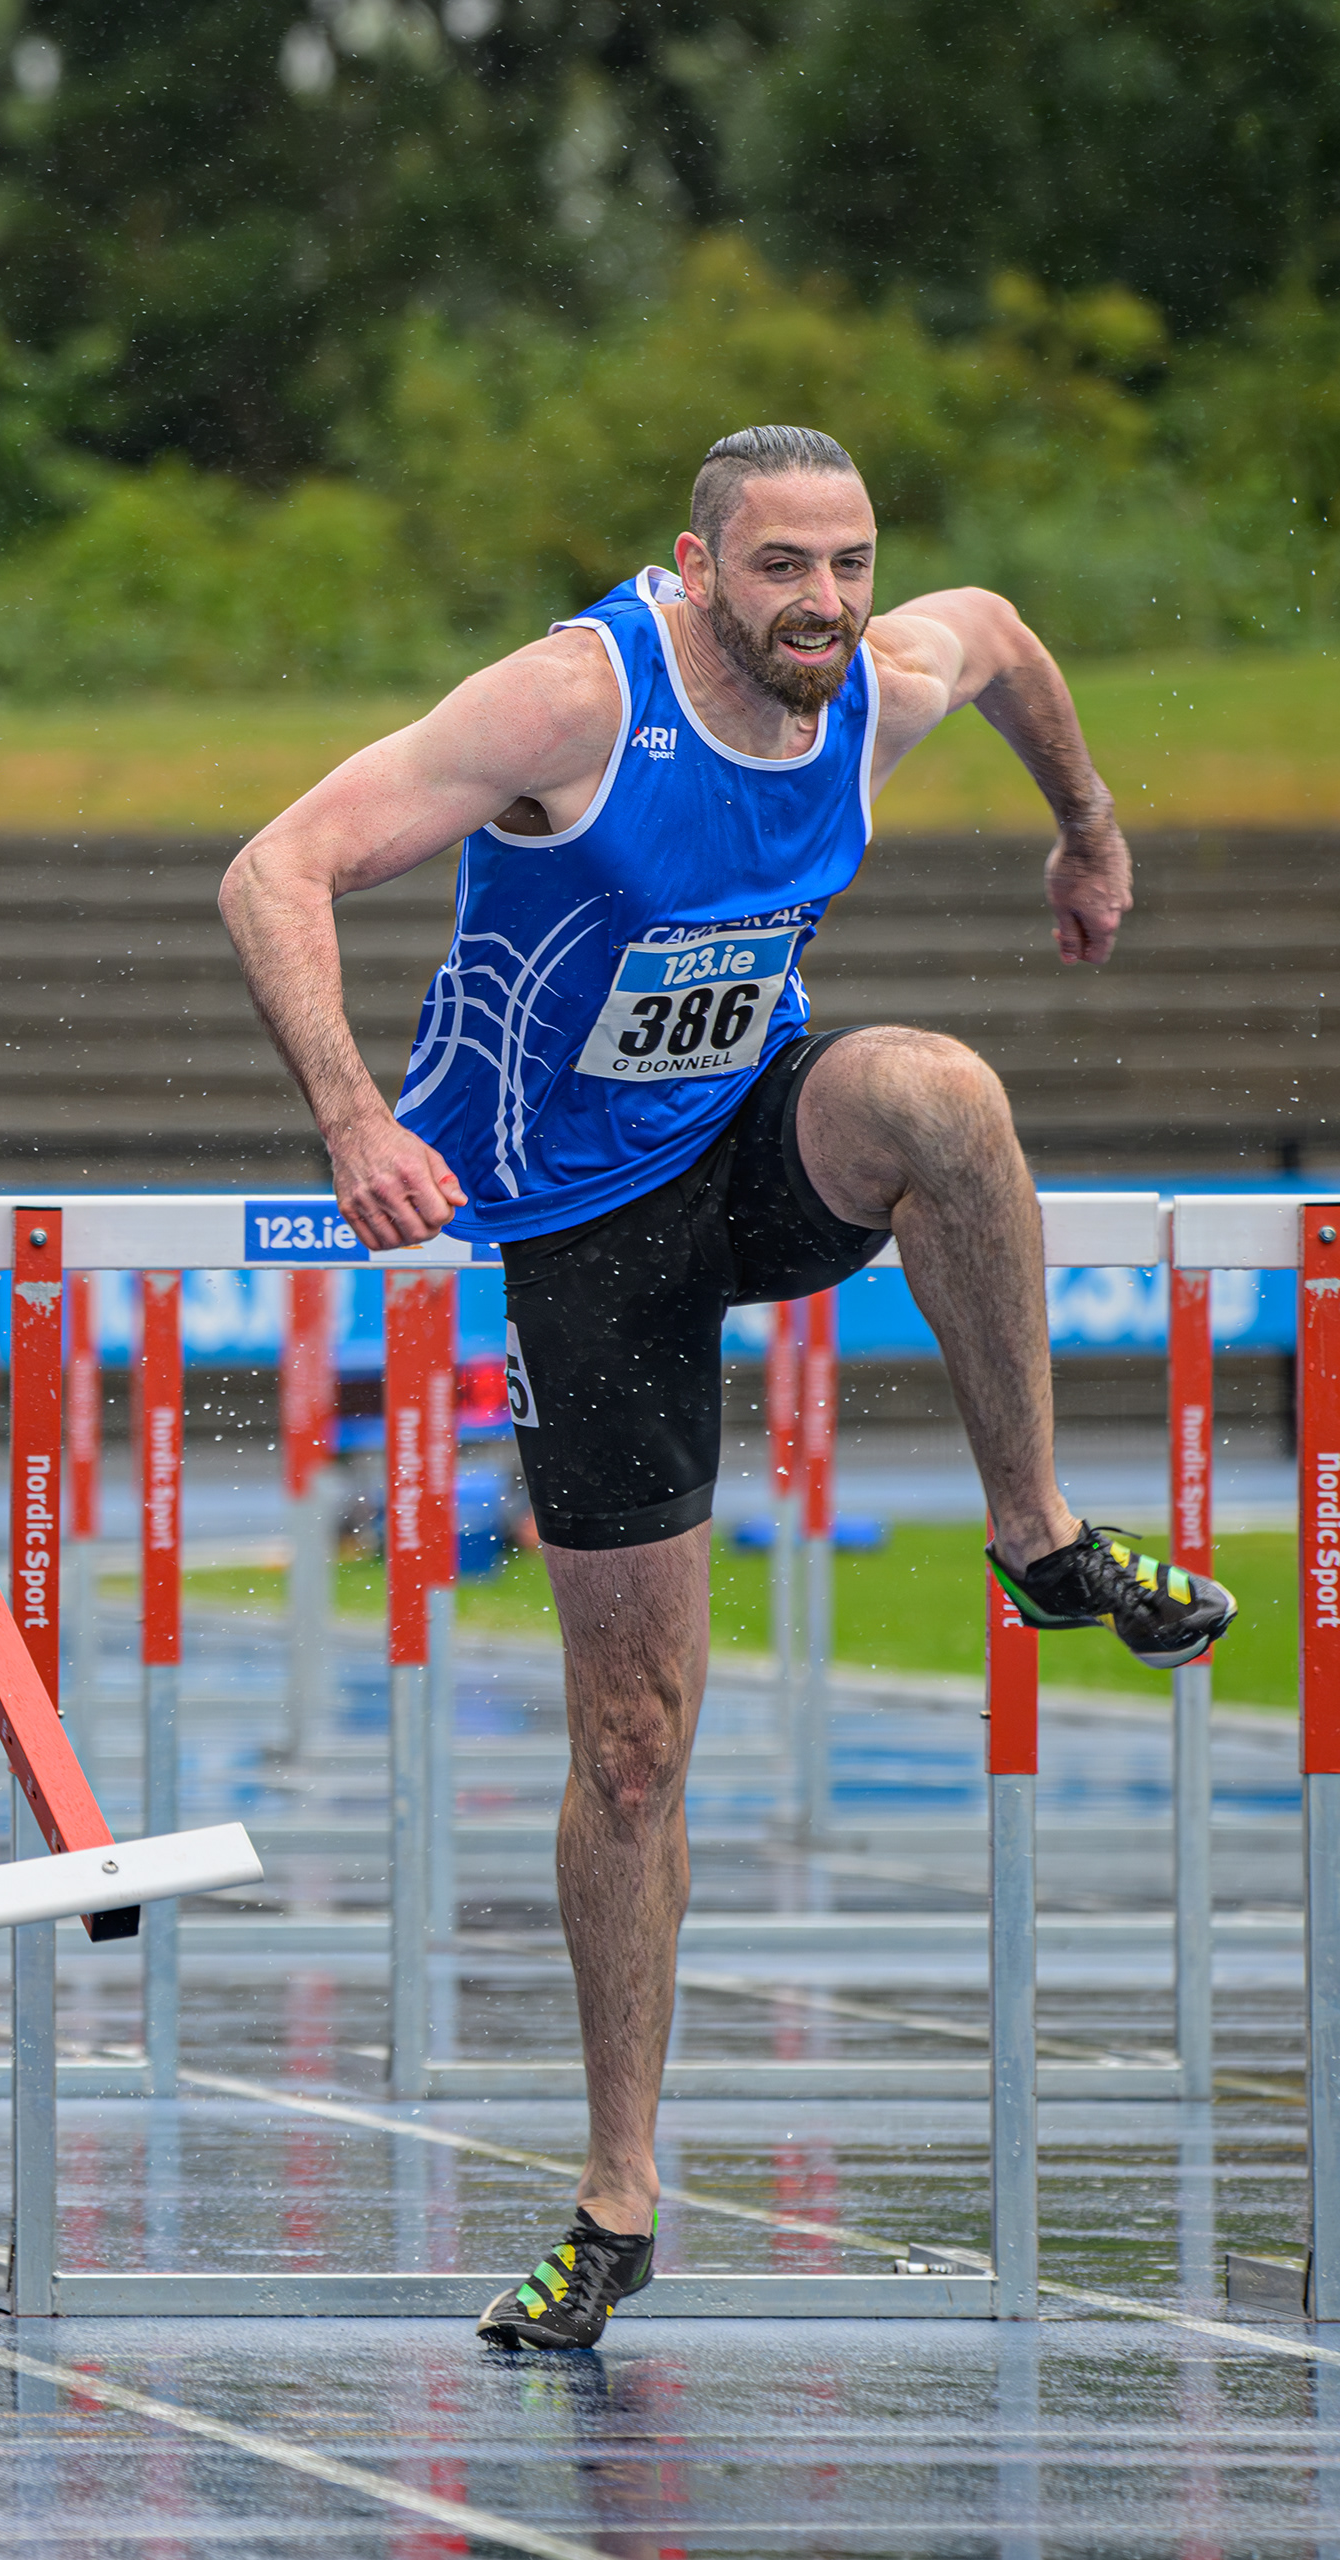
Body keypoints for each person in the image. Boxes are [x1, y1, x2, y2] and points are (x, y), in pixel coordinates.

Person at [217, 423, 1236, 2350]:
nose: (826, 605)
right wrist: (351, 1117)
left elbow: (1003, 628)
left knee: (939, 1091)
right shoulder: (570, 699)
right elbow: (274, 869)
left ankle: (1036, 1534)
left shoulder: (872, 684)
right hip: (579, 1229)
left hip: (752, 1143)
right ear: (692, 567)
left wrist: (1087, 823)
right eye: (781, 568)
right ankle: (619, 2196)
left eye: (849, 563)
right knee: (635, 1742)